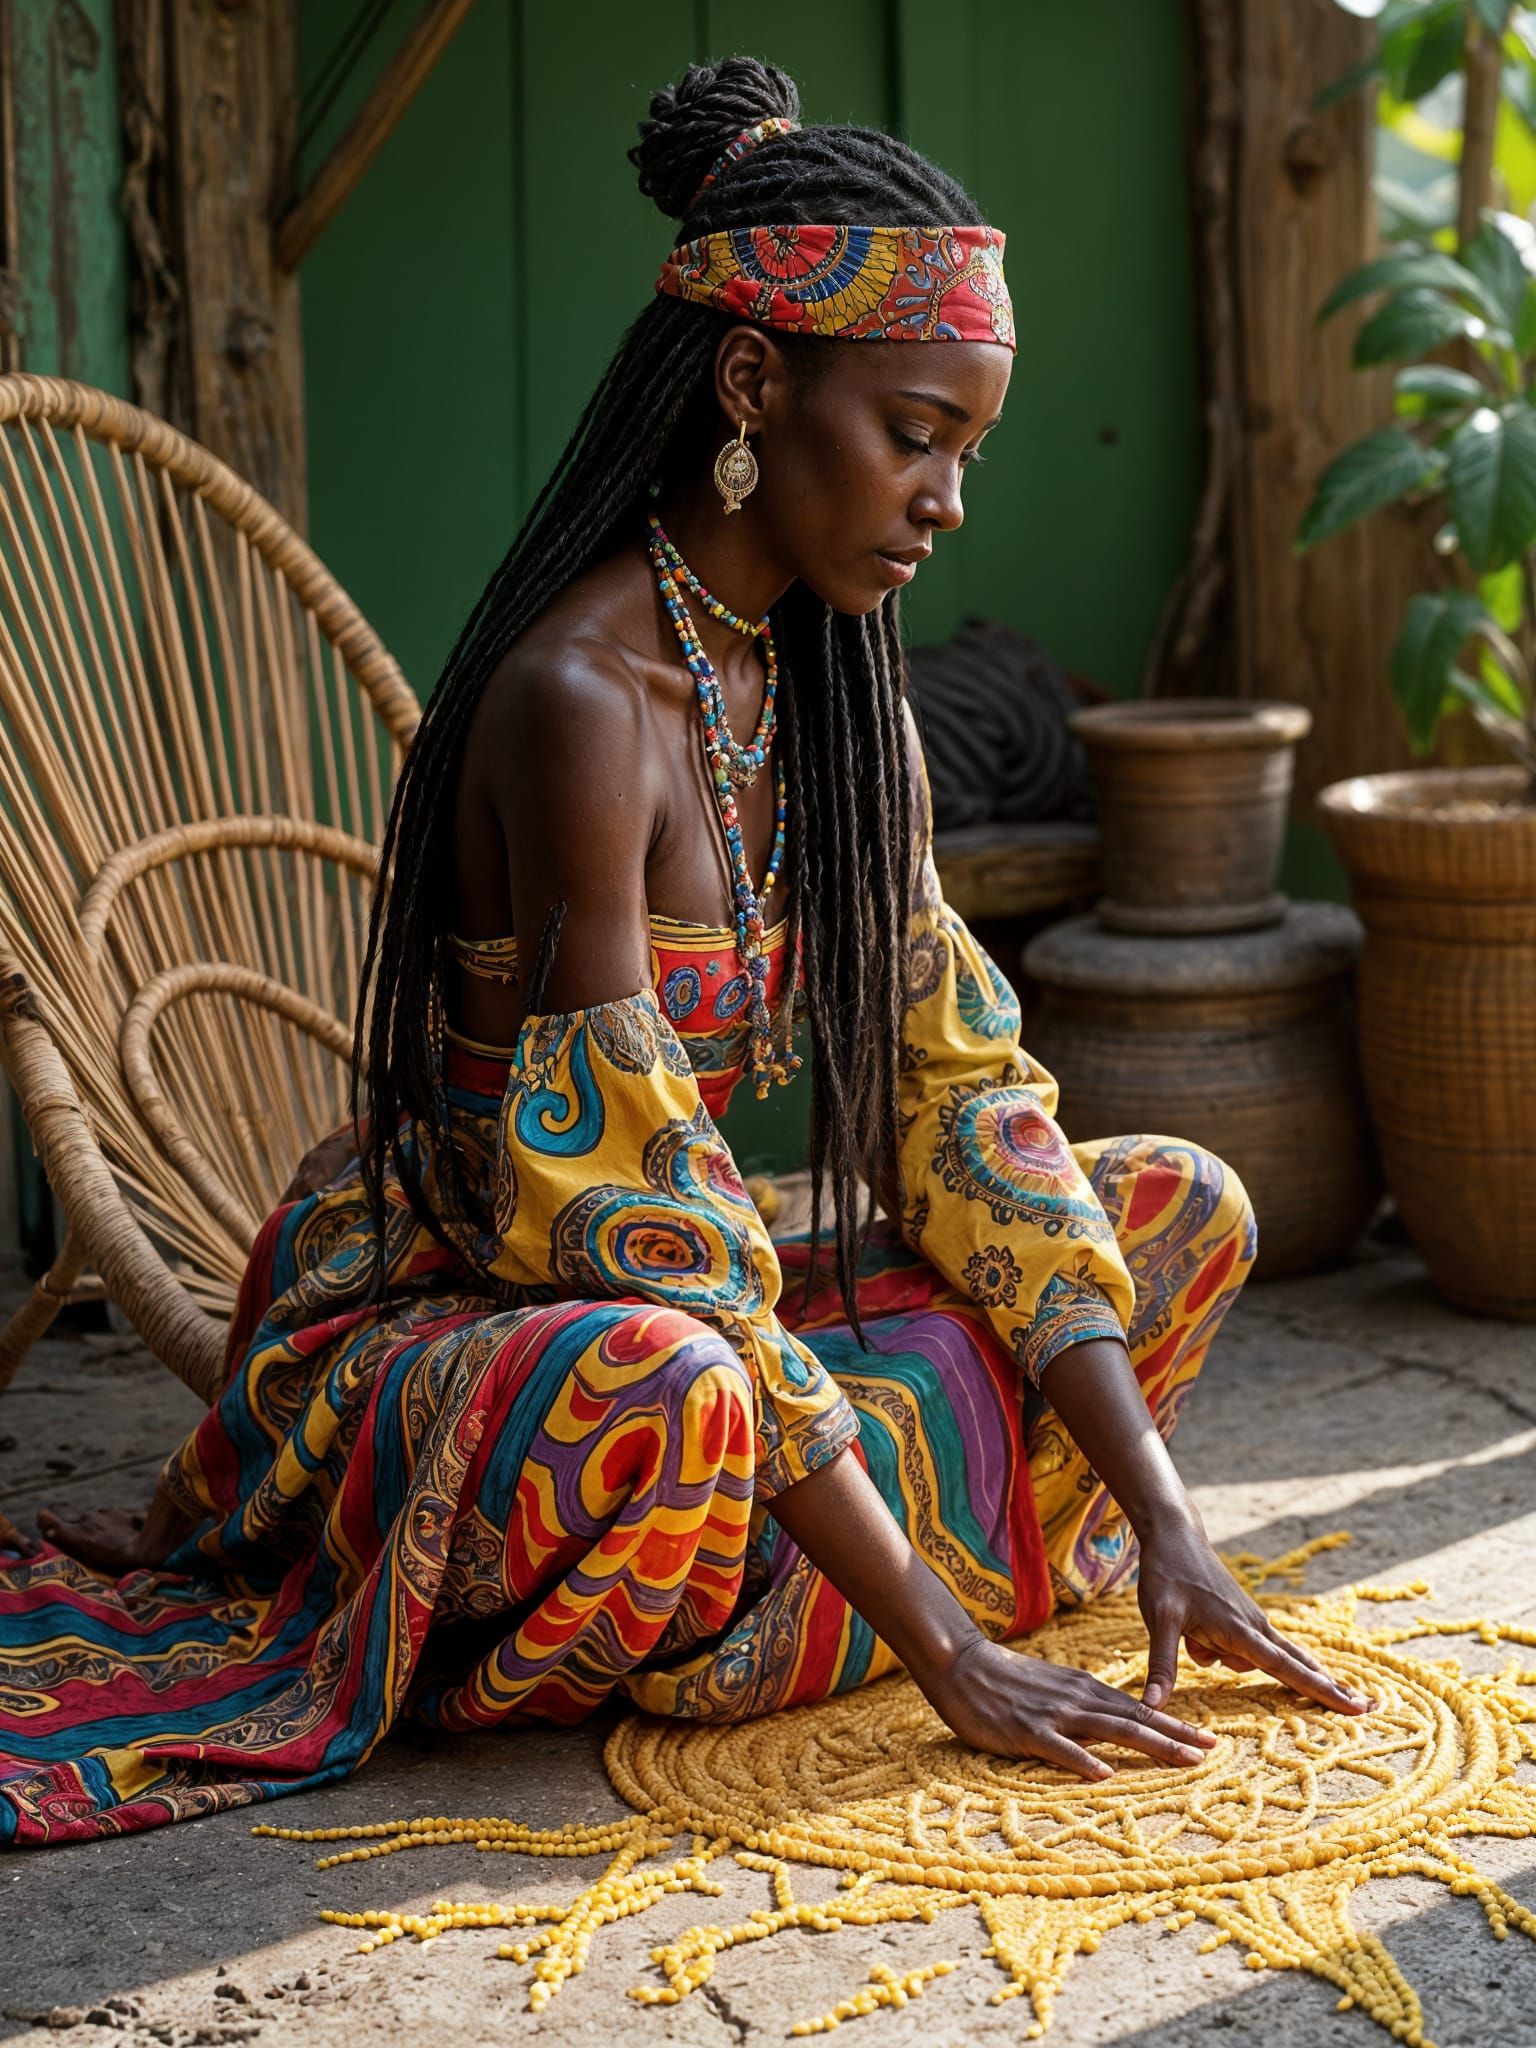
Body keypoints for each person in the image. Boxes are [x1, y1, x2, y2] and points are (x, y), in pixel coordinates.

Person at [0, 59, 1370, 1848]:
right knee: (671, 1391)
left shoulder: (843, 704)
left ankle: (789, 1594)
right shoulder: (580, 700)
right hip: (487, 1320)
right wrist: (952, 1658)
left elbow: (963, 1111)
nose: (948, 501)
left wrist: (1175, 1517)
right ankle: (902, 1579)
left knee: (1183, 1207)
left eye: (967, 450)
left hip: (699, 1289)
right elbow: (641, 1217)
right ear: (750, 386)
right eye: (916, 434)